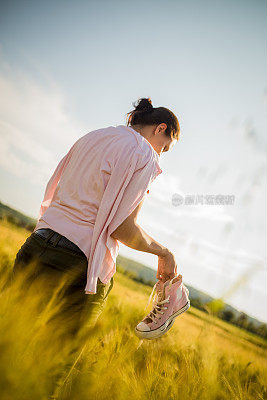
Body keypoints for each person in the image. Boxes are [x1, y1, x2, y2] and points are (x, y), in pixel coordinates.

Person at [12, 97, 180, 339]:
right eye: (164, 147)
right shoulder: (144, 154)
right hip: (77, 263)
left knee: (8, 343)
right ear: (160, 128)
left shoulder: (93, 136)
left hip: (36, 244)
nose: (160, 155)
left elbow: (55, 185)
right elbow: (122, 229)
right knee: (53, 365)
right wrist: (164, 252)